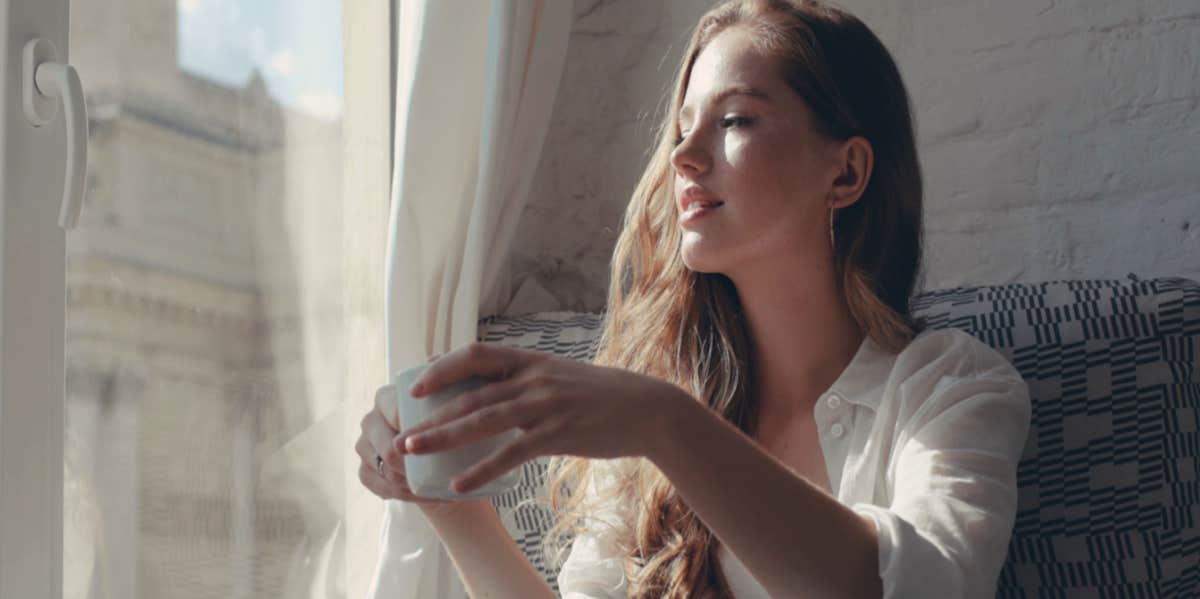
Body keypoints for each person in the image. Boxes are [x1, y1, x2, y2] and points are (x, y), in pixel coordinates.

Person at [356, 0, 1032, 597]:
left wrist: (667, 424)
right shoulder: (654, 402)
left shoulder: (951, 388)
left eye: (734, 120)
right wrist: (448, 506)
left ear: (847, 170)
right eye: (683, 126)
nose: (683, 155)